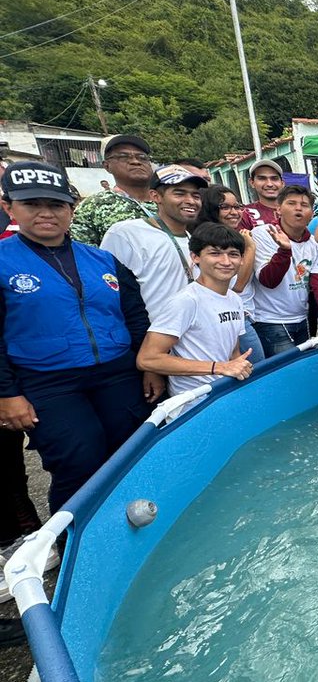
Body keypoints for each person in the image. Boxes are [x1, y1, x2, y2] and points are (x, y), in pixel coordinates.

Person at [0, 161, 162, 514]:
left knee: (131, 453)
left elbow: (135, 316)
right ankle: (72, 544)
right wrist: (7, 393)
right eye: (33, 204)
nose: (46, 213)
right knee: (78, 460)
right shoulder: (3, 261)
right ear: (9, 207)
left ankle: (134, 527)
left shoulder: (103, 260)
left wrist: (149, 366)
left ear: (71, 209)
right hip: (48, 381)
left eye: (56, 205)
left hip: (118, 372)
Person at [137, 222, 254, 397]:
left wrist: (237, 366)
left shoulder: (235, 299)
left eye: (233, 254)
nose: (226, 261)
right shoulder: (187, 301)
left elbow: (232, 353)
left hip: (225, 393)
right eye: (215, 253)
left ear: (242, 259)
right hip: (195, 401)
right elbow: (147, 358)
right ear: (195, 257)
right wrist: (219, 368)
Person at [101, 163, 208, 323]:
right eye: (179, 194)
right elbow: (107, 293)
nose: (190, 201)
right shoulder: (126, 234)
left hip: (190, 338)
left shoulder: (191, 239)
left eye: (196, 195)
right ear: (155, 196)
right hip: (149, 340)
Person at [251, 184, 318, 356]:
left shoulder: (314, 244)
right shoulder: (263, 234)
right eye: (291, 203)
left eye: (304, 205)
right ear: (279, 209)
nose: (298, 208)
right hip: (271, 321)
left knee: (304, 369)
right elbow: (268, 280)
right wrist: (284, 251)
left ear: (311, 213)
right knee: (287, 375)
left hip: (302, 319)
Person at [196, 186, 264, 362]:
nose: (234, 212)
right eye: (225, 207)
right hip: (231, 317)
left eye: (237, 206)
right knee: (257, 369)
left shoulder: (235, 236)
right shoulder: (209, 241)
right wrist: (250, 248)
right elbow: (238, 285)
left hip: (245, 314)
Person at [69, 134, 158, 245]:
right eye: (123, 157)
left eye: (142, 157)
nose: (136, 162)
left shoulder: (170, 199)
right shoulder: (93, 206)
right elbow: (84, 253)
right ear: (107, 166)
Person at [237, 158, 285, 231]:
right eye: (262, 178)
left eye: (274, 178)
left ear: (282, 183)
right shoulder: (245, 214)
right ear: (252, 182)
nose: (269, 184)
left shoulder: (296, 209)